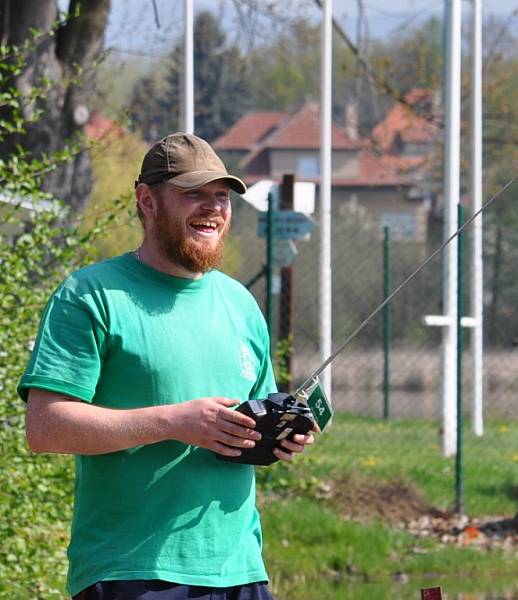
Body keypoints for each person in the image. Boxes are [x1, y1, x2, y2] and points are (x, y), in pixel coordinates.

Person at [19, 132, 315, 600]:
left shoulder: (239, 303)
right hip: (130, 572)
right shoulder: (90, 296)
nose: (213, 208)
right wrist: (174, 422)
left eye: (222, 196)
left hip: (239, 570)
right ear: (147, 202)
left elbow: (246, 420)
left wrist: (276, 435)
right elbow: (46, 427)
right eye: (193, 193)